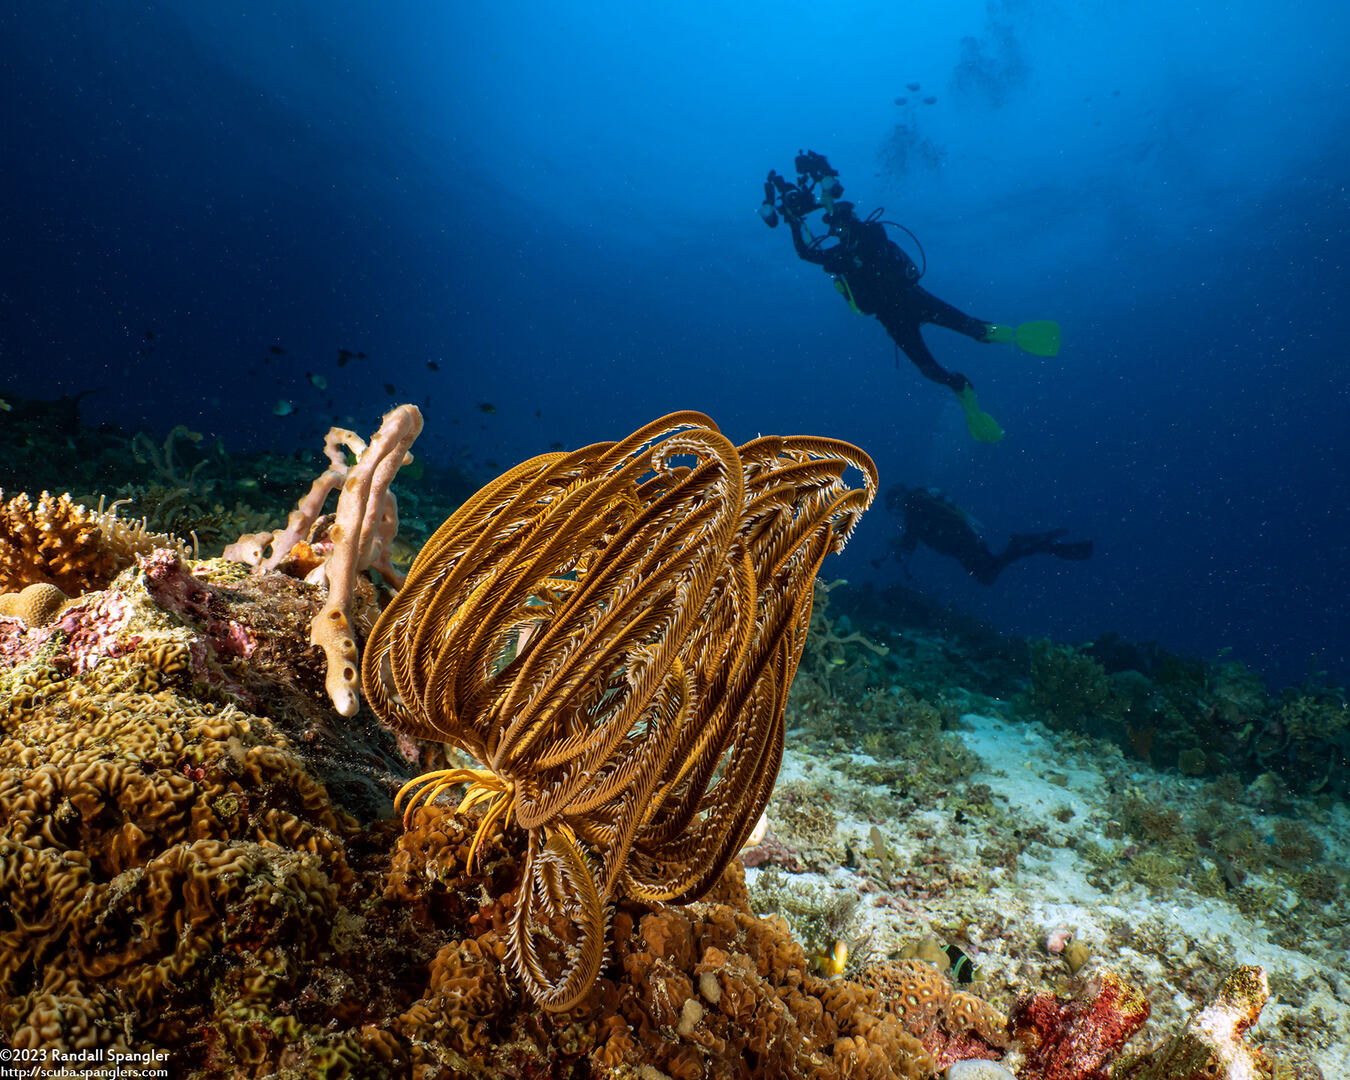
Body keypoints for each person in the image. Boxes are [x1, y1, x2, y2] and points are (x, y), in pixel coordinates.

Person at [760, 151, 1060, 443]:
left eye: (842, 223)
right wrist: (794, 221)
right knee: (930, 367)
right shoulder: (842, 253)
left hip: (910, 300)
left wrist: (825, 201)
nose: (838, 229)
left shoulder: (870, 234)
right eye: (836, 227)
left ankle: (1015, 336)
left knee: (971, 328)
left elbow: (849, 243)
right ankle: (961, 389)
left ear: (852, 219)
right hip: (895, 315)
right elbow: (806, 252)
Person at [879, 484, 1092, 585]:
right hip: (963, 540)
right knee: (989, 572)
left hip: (960, 543)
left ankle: (1026, 545)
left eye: (894, 506)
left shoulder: (914, 506)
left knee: (987, 575)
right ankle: (1038, 546)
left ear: (899, 499)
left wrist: (894, 544)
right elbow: (916, 536)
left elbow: (909, 543)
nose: (897, 511)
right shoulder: (919, 504)